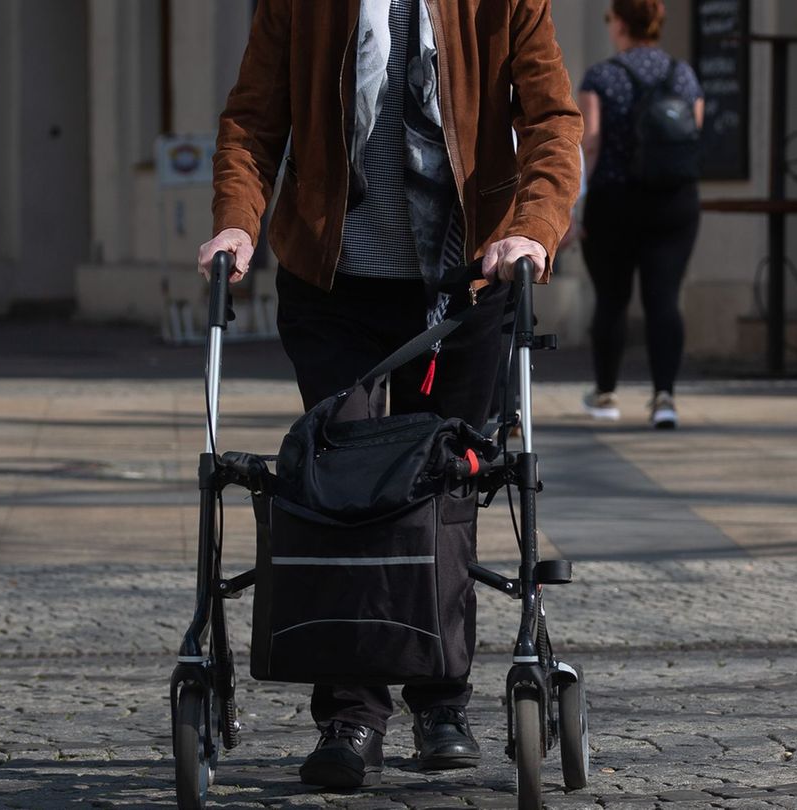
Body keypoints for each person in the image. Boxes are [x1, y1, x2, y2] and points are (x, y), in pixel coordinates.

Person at [197, 0, 581, 789]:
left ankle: (442, 699)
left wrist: (534, 230)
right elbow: (252, 121)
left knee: (448, 486)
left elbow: (551, 119)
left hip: (466, 285)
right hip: (333, 287)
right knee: (345, 488)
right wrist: (238, 221)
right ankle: (351, 713)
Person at [577, 0, 703, 428]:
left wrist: (576, 203)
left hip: (614, 200)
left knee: (611, 300)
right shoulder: (682, 74)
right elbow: (693, 135)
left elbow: (589, 143)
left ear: (621, 24)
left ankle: (606, 395)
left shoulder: (602, 76)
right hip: (674, 200)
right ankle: (664, 398)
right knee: (664, 298)